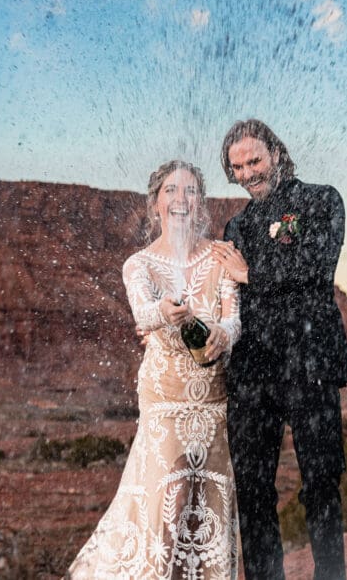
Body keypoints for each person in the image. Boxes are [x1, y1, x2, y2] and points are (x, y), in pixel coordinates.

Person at [68, 160, 241, 579]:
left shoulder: (220, 256)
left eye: (191, 191)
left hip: (213, 400)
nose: (181, 199)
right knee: (169, 501)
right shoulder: (139, 265)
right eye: (171, 191)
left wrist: (223, 333)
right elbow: (143, 315)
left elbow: (235, 319)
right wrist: (164, 311)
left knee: (210, 502)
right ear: (156, 203)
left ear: (201, 202)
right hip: (166, 399)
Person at [211, 119, 347, 580]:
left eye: (255, 160)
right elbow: (224, 297)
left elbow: (316, 268)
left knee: (321, 484)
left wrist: (250, 274)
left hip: (310, 362)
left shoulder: (321, 200)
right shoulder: (236, 225)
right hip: (252, 373)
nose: (249, 172)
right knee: (253, 492)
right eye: (238, 167)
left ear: (276, 153)